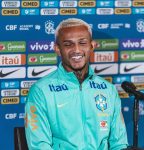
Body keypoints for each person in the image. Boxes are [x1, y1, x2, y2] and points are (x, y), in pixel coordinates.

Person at [25, 18, 128, 150]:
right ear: (57, 49)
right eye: (68, 44)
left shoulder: (108, 89)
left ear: (92, 46)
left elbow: (119, 143)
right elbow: (39, 146)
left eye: (82, 43)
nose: (77, 50)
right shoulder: (41, 91)